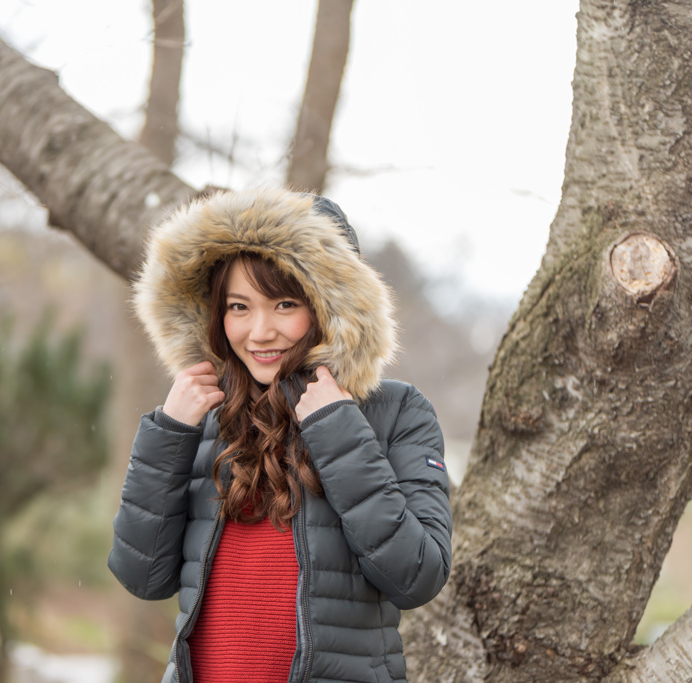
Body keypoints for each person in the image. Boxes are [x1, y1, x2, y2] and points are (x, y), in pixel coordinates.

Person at [108, 187, 452, 683]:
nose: (260, 332)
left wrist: (337, 428)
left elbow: (417, 575)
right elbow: (142, 577)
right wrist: (169, 433)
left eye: (284, 303)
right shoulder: (202, 413)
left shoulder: (396, 411)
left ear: (331, 308)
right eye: (239, 307)